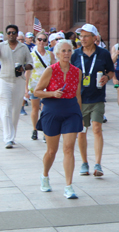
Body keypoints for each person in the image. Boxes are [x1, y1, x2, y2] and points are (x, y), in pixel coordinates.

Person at [34, 40, 83, 199]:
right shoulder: (50, 70)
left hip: (71, 110)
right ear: (57, 53)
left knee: (69, 148)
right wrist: (52, 93)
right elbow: (37, 91)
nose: (66, 54)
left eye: (69, 51)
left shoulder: (77, 71)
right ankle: (45, 175)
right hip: (52, 111)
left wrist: (80, 115)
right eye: (63, 51)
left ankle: (68, 186)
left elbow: (77, 95)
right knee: (52, 151)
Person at [71, 24, 114, 177]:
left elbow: (111, 70)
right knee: (81, 131)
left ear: (94, 38)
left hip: (97, 97)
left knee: (97, 129)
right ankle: (84, 163)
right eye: (80, 36)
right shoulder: (75, 54)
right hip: (79, 99)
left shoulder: (103, 53)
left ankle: (98, 164)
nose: (82, 39)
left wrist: (107, 77)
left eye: (85, 36)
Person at [0, 25, 33, 148]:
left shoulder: (23, 47)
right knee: (6, 108)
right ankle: (8, 138)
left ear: (17, 33)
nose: (11, 35)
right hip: (4, 80)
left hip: (19, 80)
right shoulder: (2, 46)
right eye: (9, 33)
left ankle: (11, 136)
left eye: (14, 32)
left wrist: (23, 68)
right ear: (6, 34)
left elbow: (30, 63)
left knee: (15, 110)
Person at [25, 30, 55, 141]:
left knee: (45, 109)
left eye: (44, 40)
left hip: (47, 85)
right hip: (34, 84)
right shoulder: (31, 55)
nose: (41, 42)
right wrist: (26, 88)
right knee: (34, 109)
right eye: (39, 39)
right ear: (35, 41)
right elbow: (27, 72)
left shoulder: (50, 54)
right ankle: (34, 129)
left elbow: (54, 69)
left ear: (47, 42)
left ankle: (44, 130)